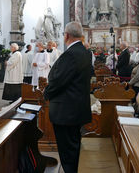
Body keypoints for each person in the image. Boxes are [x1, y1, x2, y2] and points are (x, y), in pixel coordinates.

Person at [44, 22, 92, 173]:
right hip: (76, 109)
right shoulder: (84, 52)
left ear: (66, 35)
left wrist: (47, 93)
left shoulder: (71, 54)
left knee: (68, 153)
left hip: (66, 112)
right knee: (73, 147)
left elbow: (58, 80)